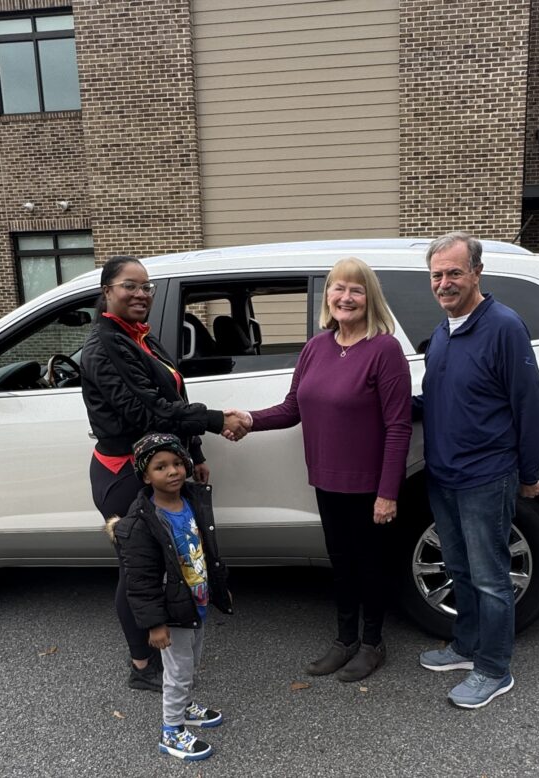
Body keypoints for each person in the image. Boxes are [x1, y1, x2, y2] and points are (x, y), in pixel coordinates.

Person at [230, 257, 412, 682]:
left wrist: (388, 492)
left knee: (371, 566)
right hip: (327, 479)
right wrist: (250, 419)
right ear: (327, 296)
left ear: (370, 298)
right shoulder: (317, 347)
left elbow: (399, 426)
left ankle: (372, 643)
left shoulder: (384, 349)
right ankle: (344, 640)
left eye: (356, 289)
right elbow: (294, 407)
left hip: (369, 486)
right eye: (338, 288)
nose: (345, 297)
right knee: (342, 563)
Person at [81, 255, 248, 692]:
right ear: (107, 291)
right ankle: (142, 666)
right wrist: (215, 420)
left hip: (155, 466)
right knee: (137, 569)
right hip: (123, 475)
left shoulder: (141, 338)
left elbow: (171, 392)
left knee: (162, 564)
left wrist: (193, 451)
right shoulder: (104, 346)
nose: (140, 294)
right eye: (129, 286)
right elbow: (148, 410)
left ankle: (162, 652)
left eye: (146, 286)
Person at [414, 232, 539, 709]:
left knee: (491, 576)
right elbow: (441, 398)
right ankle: (466, 647)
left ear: (476, 273)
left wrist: (530, 472)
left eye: (454, 272)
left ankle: (494, 668)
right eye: (437, 275)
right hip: (444, 474)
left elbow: (530, 405)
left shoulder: (504, 327)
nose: (445, 283)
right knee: (459, 568)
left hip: (486, 476)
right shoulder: (446, 332)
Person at [107, 433, 233, 762]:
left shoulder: (192, 501)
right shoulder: (141, 524)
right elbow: (142, 581)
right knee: (177, 672)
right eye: (161, 467)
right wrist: (154, 624)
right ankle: (171, 730)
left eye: (177, 463)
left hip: (194, 602)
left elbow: (206, 549)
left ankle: (185, 706)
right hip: (171, 611)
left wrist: (217, 586)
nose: (173, 471)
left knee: (189, 665)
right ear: (146, 476)